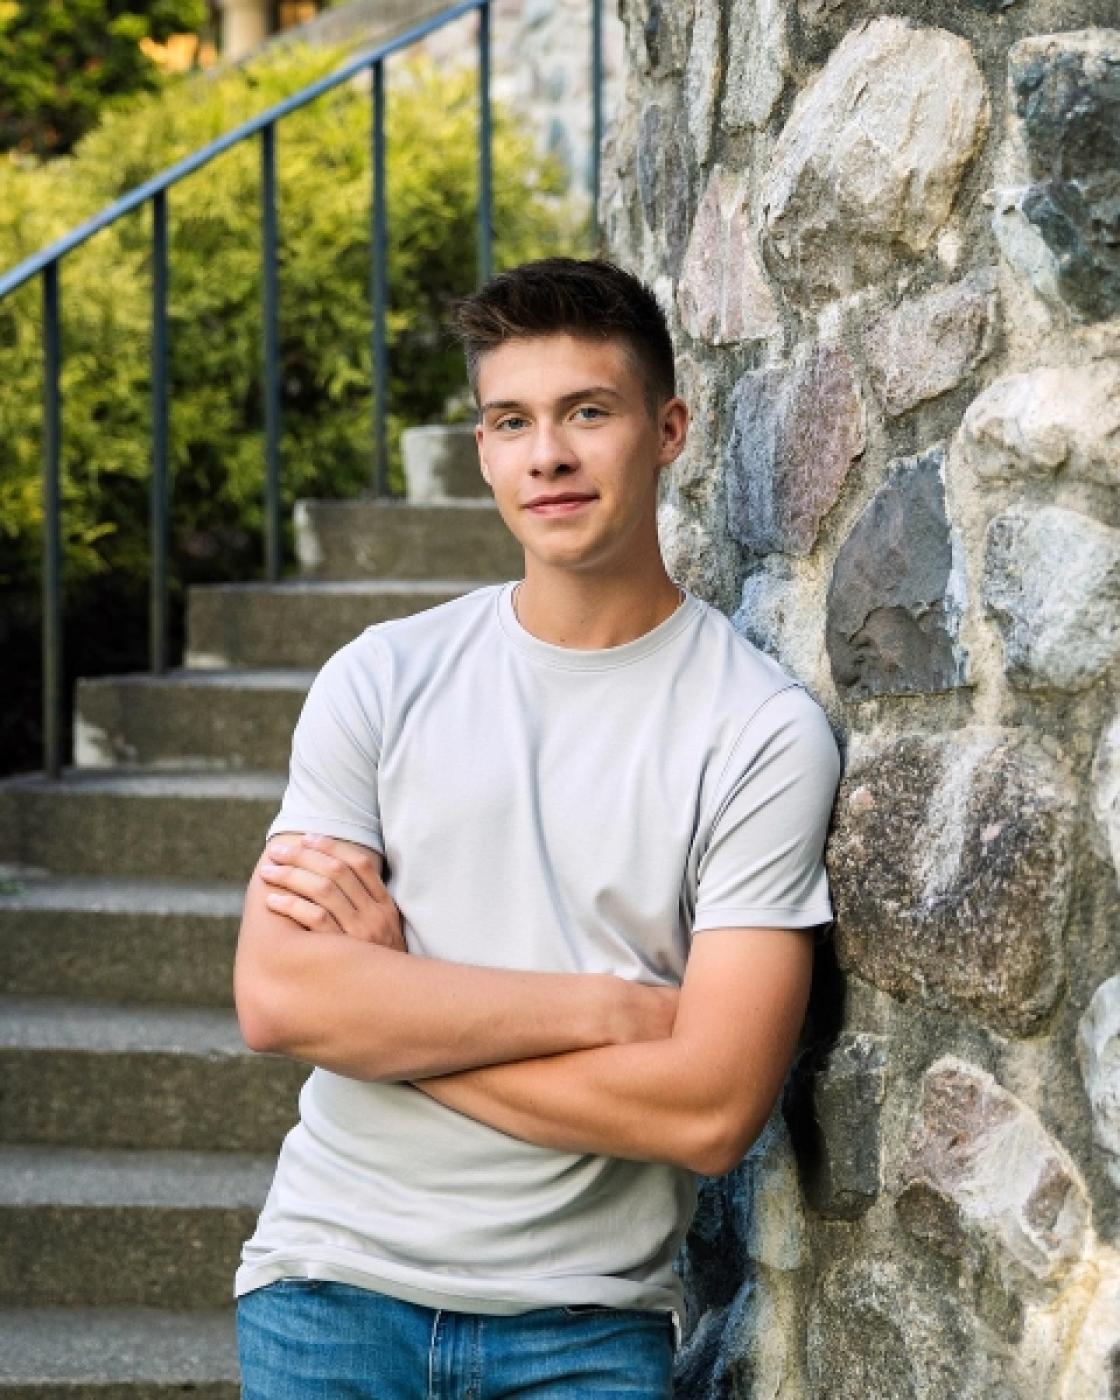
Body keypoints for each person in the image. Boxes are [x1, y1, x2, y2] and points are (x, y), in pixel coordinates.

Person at [231, 256, 842, 1399]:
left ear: (667, 429)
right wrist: (613, 1011)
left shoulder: (758, 731)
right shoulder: (381, 677)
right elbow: (279, 998)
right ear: (482, 453)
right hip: (326, 1288)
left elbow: (710, 1111)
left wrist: (397, 1006)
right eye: (511, 420)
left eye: (586, 413)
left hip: (581, 1327)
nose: (546, 454)